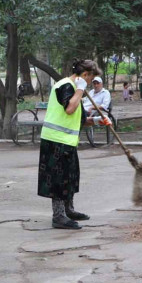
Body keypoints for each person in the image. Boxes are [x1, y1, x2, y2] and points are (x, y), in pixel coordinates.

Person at [38, 58, 108, 229]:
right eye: (90, 79)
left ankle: (69, 210)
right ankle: (59, 216)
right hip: (55, 140)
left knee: (70, 177)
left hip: (67, 141)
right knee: (58, 179)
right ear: (84, 75)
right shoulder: (65, 86)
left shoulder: (76, 90)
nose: (90, 84)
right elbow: (69, 109)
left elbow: (81, 119)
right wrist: (80, 89)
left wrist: (99, 121)